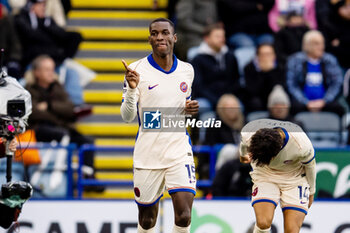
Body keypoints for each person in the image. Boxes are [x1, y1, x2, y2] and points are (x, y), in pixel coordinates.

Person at [121, 18, 199, 233]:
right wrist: (130, 89)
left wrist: (189, 109)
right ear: (149, 39)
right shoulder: (136, 70)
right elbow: (127, 117)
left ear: (174, 37)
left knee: (184, 216)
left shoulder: (187, 70)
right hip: (148, 154)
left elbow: (181, 109)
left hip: (178, 150)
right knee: (147, 221)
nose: (159, 37)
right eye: (154, 33)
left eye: (165, 33)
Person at [25, 55, 102, 192]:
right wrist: (58, 115)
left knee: (87, 141)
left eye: (52, 69)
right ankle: (57, 178)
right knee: (63, 135)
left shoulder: (58, 88)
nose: (51, 73)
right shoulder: (29, 90)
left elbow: (70, 108)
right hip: (39, 129)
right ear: (37, 72)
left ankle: (89, 176)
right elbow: (34, 113)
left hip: (61, 128)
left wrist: (49, 106)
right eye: (47, 69)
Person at [240, 119, 316, 233]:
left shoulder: (301, 144)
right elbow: (243, 144)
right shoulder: (249, 131)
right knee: (263, 223)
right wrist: (243, 155)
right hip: (264, 174)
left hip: (294, 178)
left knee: (292, 230)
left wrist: (311, 191)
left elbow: (310, 166)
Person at [286, 30, 344, 116]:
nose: (321, 47)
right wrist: (305, 102)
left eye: (322, 43)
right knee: (292, 108)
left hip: (325, 101)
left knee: (339, 108)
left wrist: (324, 101)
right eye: (317, 44)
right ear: (307, 45)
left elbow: (337, 83)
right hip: (302, 102)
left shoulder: (330, 60)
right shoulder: (295, 60)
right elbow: (292, 85)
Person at [191, 24, 240, 112]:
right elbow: (198, 87)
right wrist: (217, 101)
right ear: (207, 38)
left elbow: (235, 80)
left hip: (228, 97)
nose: (221, 39)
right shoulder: (197, 59)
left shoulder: (230, 56)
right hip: (208, 98)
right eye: (217, 36)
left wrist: (229, 99)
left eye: (223, 36)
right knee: (202, 105)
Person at [243, 43, 285, 113]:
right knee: (254, 102)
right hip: (259, 97)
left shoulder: (281, 66)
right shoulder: (249, 68)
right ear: (257, 56)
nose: (266, 57)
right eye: (263, 55)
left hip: (275, 96)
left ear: (274, 55)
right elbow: (252, 90)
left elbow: (279, 86)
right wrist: (263, 72)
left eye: (268, 54)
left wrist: (270, 71)